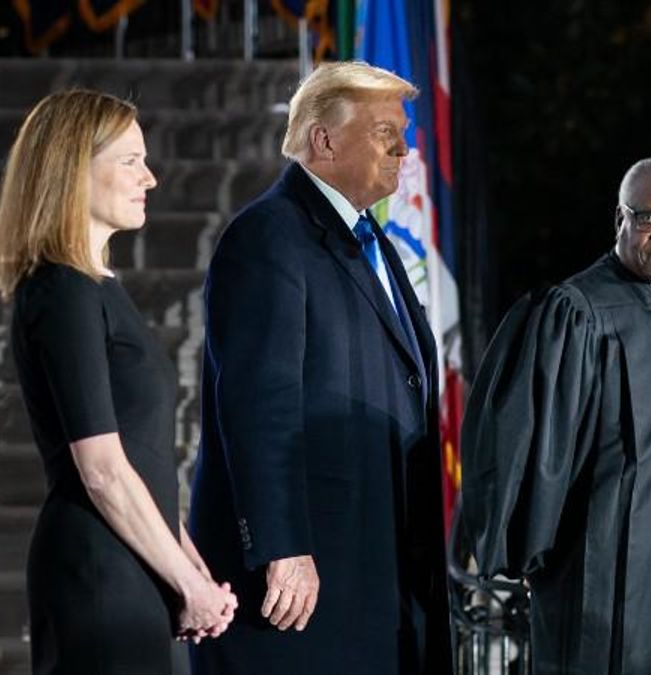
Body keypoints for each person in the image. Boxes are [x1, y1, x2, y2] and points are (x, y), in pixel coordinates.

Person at [188, 62, 454, 675]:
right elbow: (260, 404)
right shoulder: (269, 237)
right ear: (324, 140)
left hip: (376, 564)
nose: (404, 149)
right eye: (385, 132)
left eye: (404, 133)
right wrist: (282, 546)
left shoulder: (370, 239)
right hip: (302, 585)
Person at [461, 157, 651, 675]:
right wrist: (530, 552)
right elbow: (524, 444)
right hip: (608, 579)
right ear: (621, 219)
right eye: (650, 217)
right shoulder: (574, 314)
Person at [0, 89, 237, 674]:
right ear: (72, 170)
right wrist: (187, 583)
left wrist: (188, 565)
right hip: (99, 573)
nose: (149, 178)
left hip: (132, 565)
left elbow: (138, 456)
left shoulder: (94, 288)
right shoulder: (63, 290)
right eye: (130, 161)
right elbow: (101, 468)